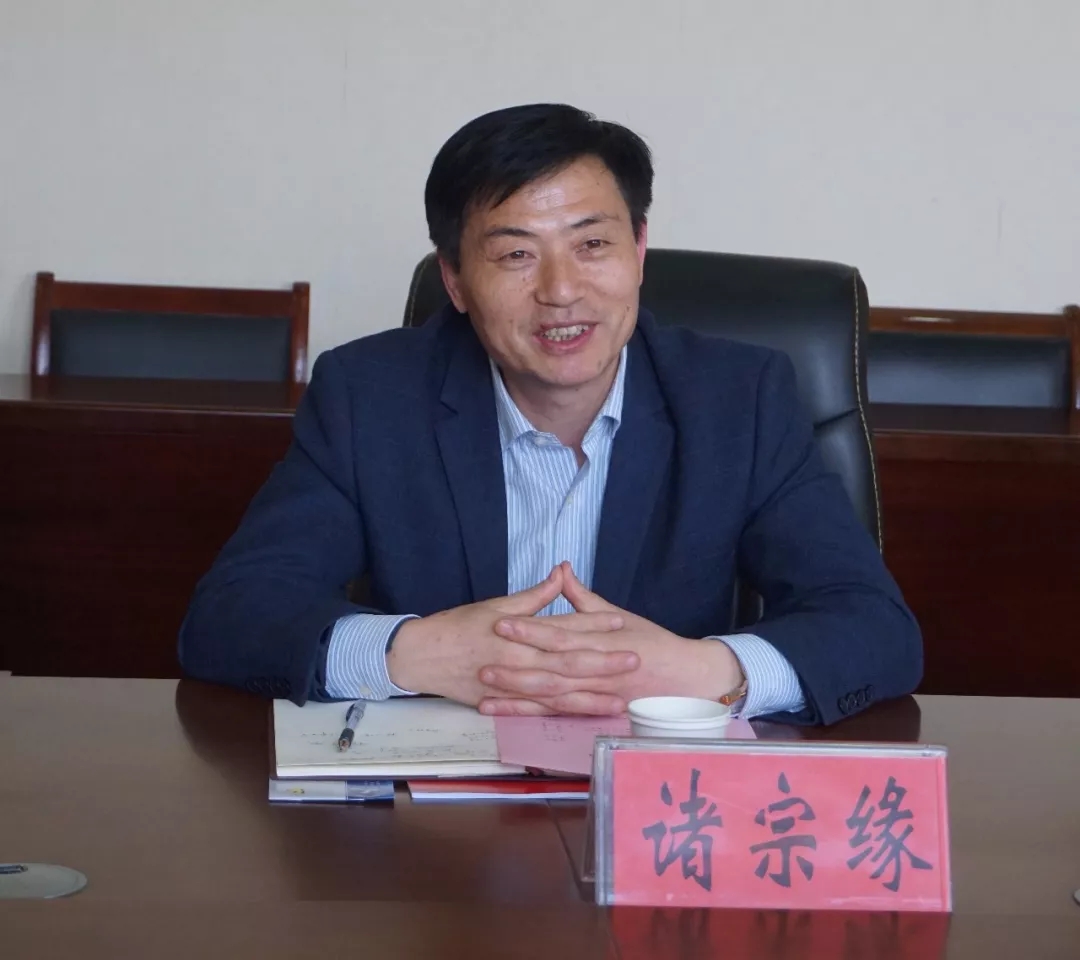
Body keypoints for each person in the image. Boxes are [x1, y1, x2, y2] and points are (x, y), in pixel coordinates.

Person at [178, 103, 922, 725]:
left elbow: (875, 627)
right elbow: (230, 617)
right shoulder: (368, 396)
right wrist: (414, 653)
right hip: (439, 823)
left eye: (592, 244)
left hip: (664, 803)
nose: (561, 291)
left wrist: (704, 671)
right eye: (516, 255)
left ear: (638, 250)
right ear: (455, 280)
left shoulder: (739, 399)